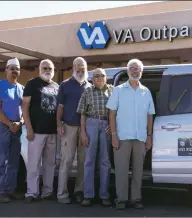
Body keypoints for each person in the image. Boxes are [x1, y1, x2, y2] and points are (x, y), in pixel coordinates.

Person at [106, 59, 155, 210]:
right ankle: (121, 199)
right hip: (122, 137)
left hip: (140, 138)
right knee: (121, 170)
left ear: (141, 72)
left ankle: (135, 199)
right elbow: (112, 114)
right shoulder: (118, 90)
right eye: (132, 68)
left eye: (138, 69)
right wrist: (114, 135)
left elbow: (149, 115)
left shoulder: (146, 92)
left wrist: (149, 136)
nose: (135, 71)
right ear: (128, 71)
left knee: (138, 171)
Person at [22, 59, 59, 203]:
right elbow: (25, 106)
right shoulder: (32, 84)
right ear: (39, 68)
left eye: (50, 68)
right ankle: (32, 193)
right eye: (45, 67)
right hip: (36, 132)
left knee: (50, 164)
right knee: (34, 164)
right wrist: (29, 128)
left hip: (52, 132)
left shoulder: (56, 86)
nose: (47, 70)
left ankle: (47, 192)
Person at [0, 58, 25, 203]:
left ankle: (11, 190)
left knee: (14, 161)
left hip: (17, 128)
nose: (14, 71)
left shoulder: (21, 88)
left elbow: (24, 109)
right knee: (0, 160)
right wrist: (9, 124)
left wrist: (20, 122)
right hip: (3, 127)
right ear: (6, 70)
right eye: (12, 68)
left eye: (17, 68)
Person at [56, 57, 91, 204]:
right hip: (68, 127)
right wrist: (58, 123)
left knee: (83, 162)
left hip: (86, 129)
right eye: (77, 66)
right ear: (73, 68)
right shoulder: (65, 85)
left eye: (82, 66)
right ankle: (62, 194)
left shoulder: (90, 86)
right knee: (67, 161)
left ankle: (79, 192)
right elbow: (60, 107)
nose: (80, 69)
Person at [77, 68, 114, 207]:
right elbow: (82, 113)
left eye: (102, 75)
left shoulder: (113, 90)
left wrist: (112, 125)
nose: (99, 78)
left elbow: (117, 110)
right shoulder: (87, 91)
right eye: (96, 76)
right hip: (91, 123)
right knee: (89, 161)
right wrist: (83, 132)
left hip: (106, 124)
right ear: (92, 79)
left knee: (105, 161)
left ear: (106, 78)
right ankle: (88, 195)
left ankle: (104, 195)